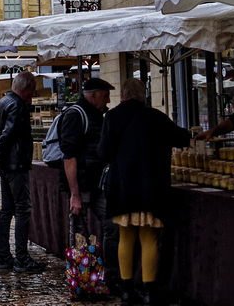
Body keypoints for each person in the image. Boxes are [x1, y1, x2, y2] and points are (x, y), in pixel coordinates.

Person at [99, 78, 191, 304]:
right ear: (143, 95)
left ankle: (126, 290)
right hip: (150, 188)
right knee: (149, 238)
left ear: (123, 95)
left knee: (125, 237)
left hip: (122, 188)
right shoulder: (156, 116)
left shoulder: (111, 117)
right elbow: (182, 138)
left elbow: (103, 154)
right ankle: (149, 293)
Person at [0, 71, 44, 273]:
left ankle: (3, 255)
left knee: (7, 210)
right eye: (32, 90)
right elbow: (7, 135)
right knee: (22, 209)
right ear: (26, 89)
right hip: (15, 164)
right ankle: (21, 257)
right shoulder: (18, 105)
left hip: (5, 165)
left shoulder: (0, 104)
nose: (33, 95)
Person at [60, 77, 115, 280]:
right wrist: (75, 194)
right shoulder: (76, 115)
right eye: (105, 96)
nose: (108, 100)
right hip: (81, 184)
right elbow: (69, 157)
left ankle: (108, 275)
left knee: (113, 224)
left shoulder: (99, 116)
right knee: (79, 234)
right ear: (93, 96)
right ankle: (80, 278)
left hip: (98, 184)